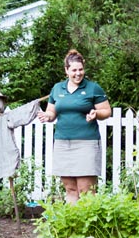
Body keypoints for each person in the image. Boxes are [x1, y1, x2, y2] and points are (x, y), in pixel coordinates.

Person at [37, 49, 112, 204]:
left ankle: (88, 226)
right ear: (66, 71)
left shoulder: (93, 88)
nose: (78, 73)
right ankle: (72, 226)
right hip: (63, 143)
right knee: (70, 189)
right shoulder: (57, 89)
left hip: (87, 143)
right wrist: (47, 116)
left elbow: (107, 111)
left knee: (86, 190)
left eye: (80, 69)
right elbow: (52, 112)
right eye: (74, 70)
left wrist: (96, 114)